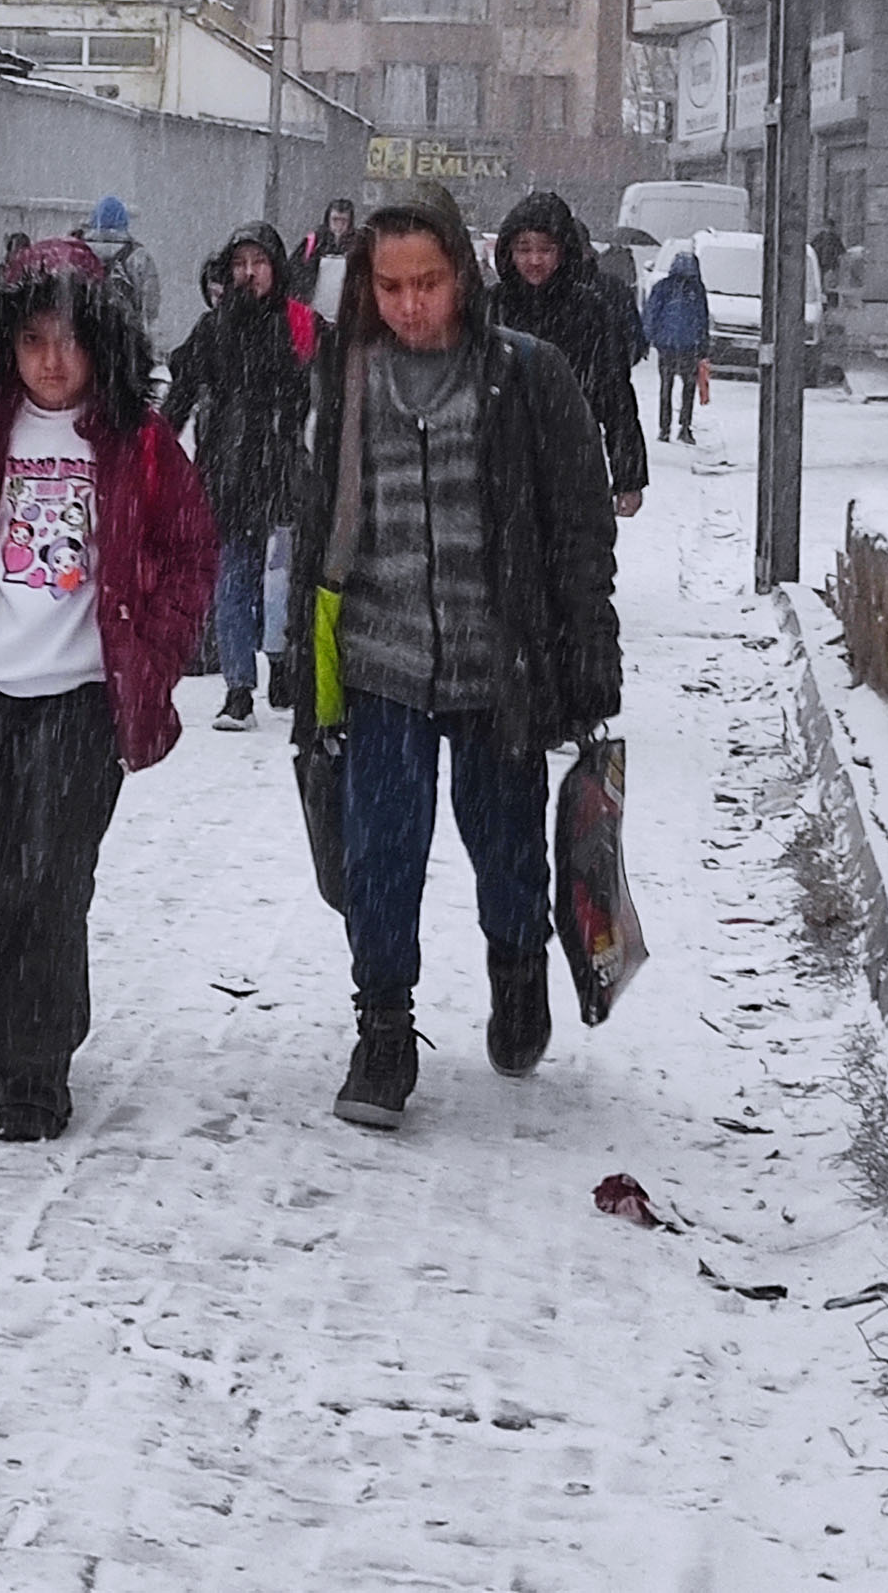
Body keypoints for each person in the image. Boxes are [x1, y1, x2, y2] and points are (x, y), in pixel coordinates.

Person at [0, 239, 216, 1141]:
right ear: (4, 349)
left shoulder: (136, 445)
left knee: (50, 881)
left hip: (82, 701)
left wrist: (159, 654)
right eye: (31, 340)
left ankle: (30, 1068)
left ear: (101, 345)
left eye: (69, 339)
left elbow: (191, 552)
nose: (52, 360)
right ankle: (40, 1004)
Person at [289, 184, 622, 1132]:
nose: (408, 303)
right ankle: (384, 1029)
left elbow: (578, 525)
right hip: (378, 664)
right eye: (389, 285)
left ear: (463, 279)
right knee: (381, 855)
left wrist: (589, 649)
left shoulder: (526, 375)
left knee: (507, 848)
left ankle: (518, 966)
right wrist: (299, 666)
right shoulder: (346, 379)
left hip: (496, 667)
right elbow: (316, 522)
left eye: (427, 281)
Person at [161, 222, 316, 730]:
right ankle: (238, 690)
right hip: (227, 475)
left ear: (276, 268)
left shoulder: (297, 324)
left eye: (259, 263)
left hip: (285, 476)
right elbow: (180, 393)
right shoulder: (213, 328)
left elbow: (323, 396)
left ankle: (283, 664)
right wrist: (156, 447)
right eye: (240, 264)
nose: (249, 274)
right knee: (232, 581)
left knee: (280, 586)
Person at [489, 190, 650, 519]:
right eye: (524, 249)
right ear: (508, 252)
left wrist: (628, 476)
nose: (535, 260)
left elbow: (616, 395)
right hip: (497, 469)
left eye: (546, 250)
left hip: (572, 467)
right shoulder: (488, 307)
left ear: (563, 252)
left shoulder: (590, 311)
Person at [645, 247, 712, 444]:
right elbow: (702, 318)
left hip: (667, 345)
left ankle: (665, 428)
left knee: (666, 386)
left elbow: (652, 314)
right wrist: (704, 344)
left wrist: (647, 339)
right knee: (688, 387)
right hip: (689, 346)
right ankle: (684, 427)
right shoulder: (697, 289)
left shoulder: (663, 287)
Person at [78, 196, 161, 331]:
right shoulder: (138, 256)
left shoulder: (79, 252)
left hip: (87, 331)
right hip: (125, 335)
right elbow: (151, 302)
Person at [292, 198, 358, 324]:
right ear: (328, 219)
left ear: (350, 222)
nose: (339, 225)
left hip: (346, 319)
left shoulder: (358, 245)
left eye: (343, 221)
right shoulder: (313, 242)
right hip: (313, 317)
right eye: (335, 220)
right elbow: (294, 274)